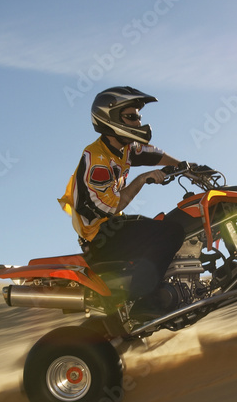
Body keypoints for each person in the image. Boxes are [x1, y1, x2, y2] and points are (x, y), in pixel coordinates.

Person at [58, 86, 187, 317]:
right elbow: (112, 206)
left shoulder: (122, 148)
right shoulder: (96, 159)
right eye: (131, 117)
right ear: (110, 119)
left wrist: (185, 166)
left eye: (138, 117)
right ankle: (143, 302)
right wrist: (142, 179)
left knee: (169, 222)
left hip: (110, 227)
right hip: (100, 237)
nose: (138, 123)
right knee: (171, 232)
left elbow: (150, 153)